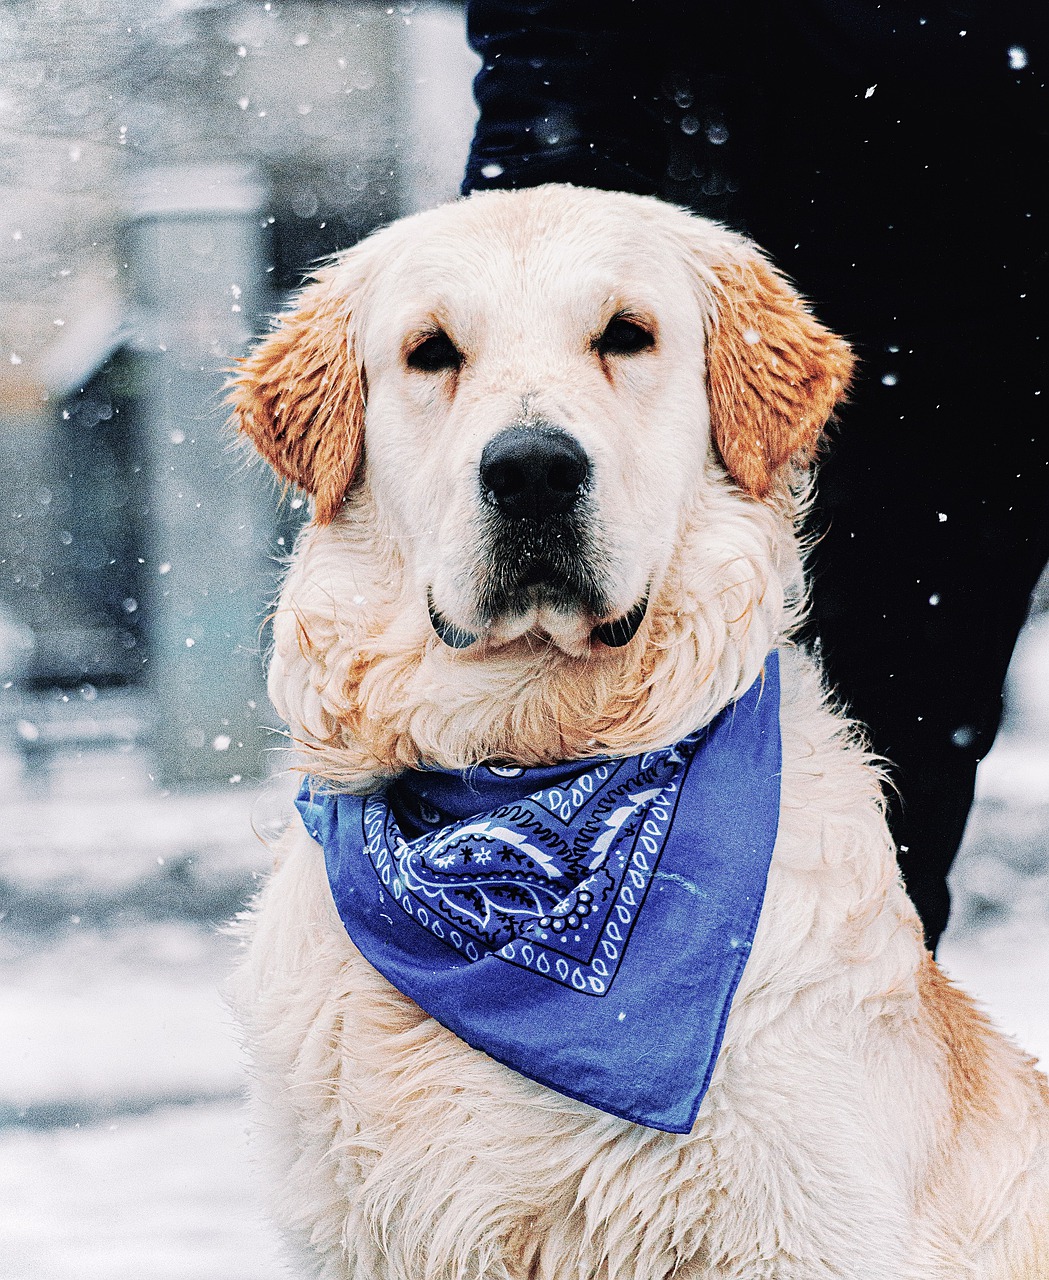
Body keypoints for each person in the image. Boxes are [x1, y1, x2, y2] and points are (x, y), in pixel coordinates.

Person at [459, 0, 1049, 952]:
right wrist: (538, 254)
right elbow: (562, 43)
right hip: (822, 326)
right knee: (818, 846)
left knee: (859, 834)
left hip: (942, 321)